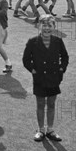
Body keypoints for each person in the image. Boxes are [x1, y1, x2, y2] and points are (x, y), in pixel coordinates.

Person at [22, 14, 68, 142]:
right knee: (40, 104)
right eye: (44, 25)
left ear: (54, 27)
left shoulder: (58, 41)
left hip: (54, 78)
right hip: (40, 78)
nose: (46, 28)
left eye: (49, 25)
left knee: (52, 103)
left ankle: (50, 130)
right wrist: (33, 70)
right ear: (38, 26)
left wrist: (61, 69)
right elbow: (26, 59)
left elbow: (65, 57)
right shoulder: (32, 41)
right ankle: (41, 130)